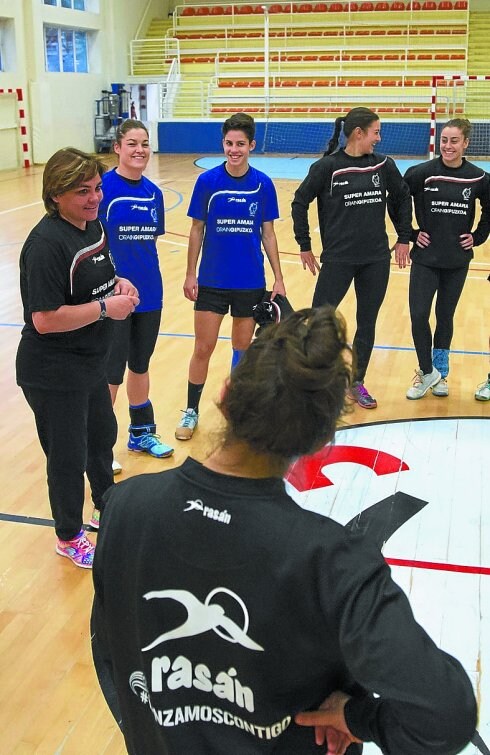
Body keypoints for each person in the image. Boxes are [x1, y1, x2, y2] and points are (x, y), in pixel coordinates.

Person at [92, 305, 476, 755]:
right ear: (320, 443)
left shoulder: (125, 507)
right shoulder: (335, 562)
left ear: (224, 393)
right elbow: (446, 714)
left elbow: (112, 654)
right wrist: (357, 717)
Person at [16, 148, 139, 568]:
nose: (94, 197)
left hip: (89, 361)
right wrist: (107, 309)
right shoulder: (46, 245)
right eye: (82, 191)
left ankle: (106, 507)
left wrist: (117, 284)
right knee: (67, 457)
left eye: (97, 188)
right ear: (56, 195)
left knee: (101, 436)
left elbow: (98, 277)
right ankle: (68, 536)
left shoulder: (92, 226)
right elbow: (46, 319)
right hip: (52, 371)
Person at [291, 107, 412, 409]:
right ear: (359, 133)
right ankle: (311, 381)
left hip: (375, 260)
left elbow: (401, 198)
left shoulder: (384, 165)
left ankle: (356, 381)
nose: (378, 139)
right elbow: (299, 201)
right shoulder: (327, 167)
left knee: (366, 322)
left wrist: (403, 237)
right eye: (376, 132)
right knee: (320, 321)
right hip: (338, 260)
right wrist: (304, 244)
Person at [175, 112, 286, 441]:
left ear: (251, 145)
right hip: (211, 282)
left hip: (250, 282)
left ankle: (237, 412)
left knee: (241, 348)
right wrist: (189, 273)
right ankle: (191, 411)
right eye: (228, 143)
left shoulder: (263, 184)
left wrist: (278, 278)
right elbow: (196, 230)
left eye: (240, 144)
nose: (234, 149)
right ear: (222, 144)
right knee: (203, 348)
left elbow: (269, 234)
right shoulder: (207, 182)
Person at [99, 119, 174, 479]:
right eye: (132, 143)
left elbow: (150, 242)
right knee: (110, 373)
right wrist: (111, 282)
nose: (139, 150)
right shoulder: (102, 189)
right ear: (117, 147)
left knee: (139, 366)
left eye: (144, 143)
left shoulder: (153, 194)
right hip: (112, 297)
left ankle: (141, 435)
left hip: (149, 295)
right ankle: (100, 446)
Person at [403, 118, 490, 399]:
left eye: (454, 141)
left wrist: (477, 237)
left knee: (444, 316)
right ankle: (427, 371)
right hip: (426, 258)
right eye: (444, 140)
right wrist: (410, 233)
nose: (447, 146)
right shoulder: (421, 173)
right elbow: (398, 201)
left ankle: (441, 374)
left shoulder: (478, 177)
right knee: (418, 315)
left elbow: (489, 211)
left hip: (456, 261)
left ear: (466, 143)